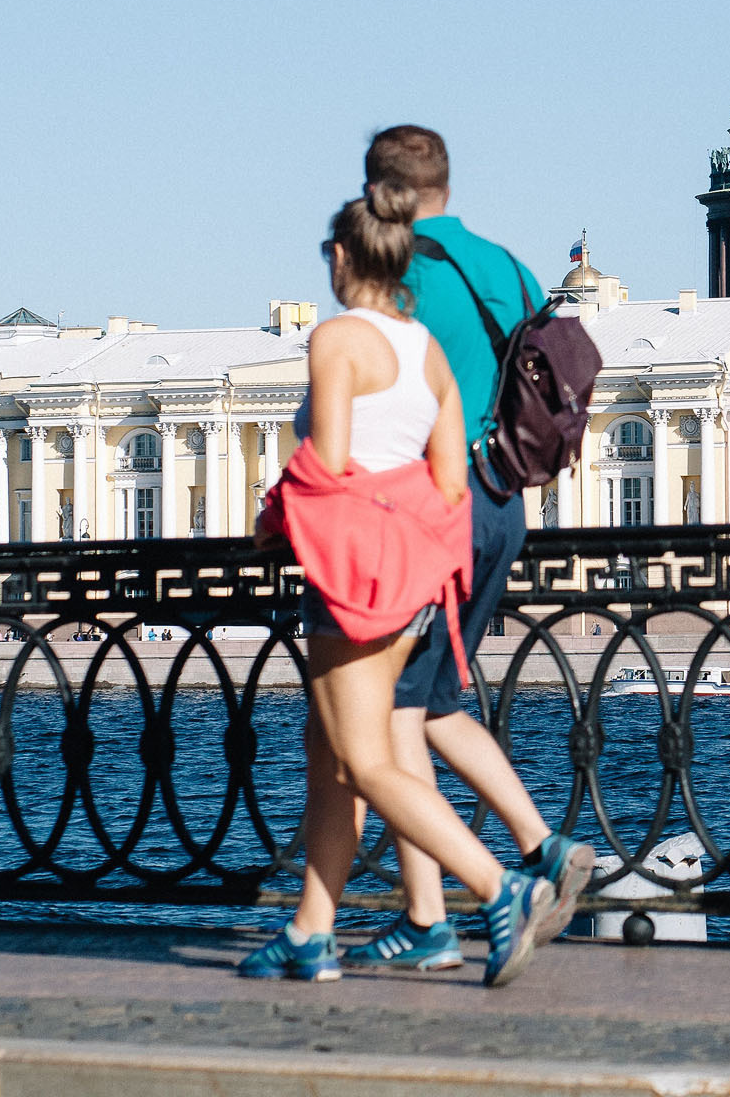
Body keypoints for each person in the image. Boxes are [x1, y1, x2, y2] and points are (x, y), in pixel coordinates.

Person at [239, 185, 554, 986]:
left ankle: (498, 888)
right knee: (329, 756)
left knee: (365, 758)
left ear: (342, 259)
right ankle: (312, 932)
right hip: (414, 573)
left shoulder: (338, 338)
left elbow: (330, 460)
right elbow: (451, 479)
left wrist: (274, 513)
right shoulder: (426, 349)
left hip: (350, 572)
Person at [337, 125, 594, 973]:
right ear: (445, 183)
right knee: (435, 698)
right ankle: (543, 848)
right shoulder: (511, 269)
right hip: (503, 506)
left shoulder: (394, 273)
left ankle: (431, 917)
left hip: (427, 511)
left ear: (383, 194)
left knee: (397, 712)